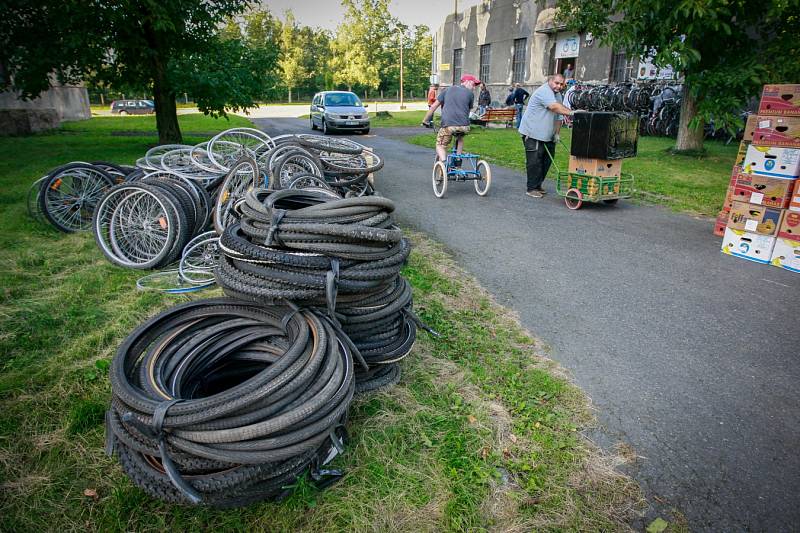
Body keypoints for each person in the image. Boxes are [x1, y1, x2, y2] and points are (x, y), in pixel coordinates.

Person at [518, 73, 576, 198]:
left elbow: (559, 116)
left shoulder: (557, 94)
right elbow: (554, 107)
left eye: (561, 84)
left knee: (547, 160)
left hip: (547, 135)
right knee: (535, 161)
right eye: (557, 83)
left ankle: (538, 185)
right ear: (550, 81)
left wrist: (557, 133)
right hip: (533, 133)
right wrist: (572, 113)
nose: (559, 86)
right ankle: (531, 188)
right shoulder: (543, 91)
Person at [422, 74, 479, 163]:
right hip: (465, 126)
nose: (474, 87)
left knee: (441, 145)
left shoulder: (447, 90)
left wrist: (425, 120)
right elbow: (468, 111)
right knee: (460, 138)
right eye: (473, 84)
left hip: (448, 125)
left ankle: (444, 162)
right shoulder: (470, 94)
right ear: (466, 82)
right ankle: (458, 160)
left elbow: (433, 107)